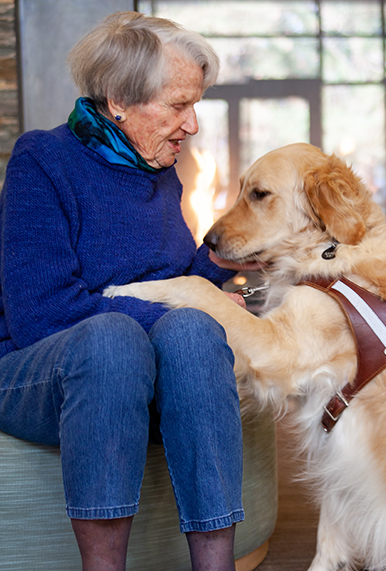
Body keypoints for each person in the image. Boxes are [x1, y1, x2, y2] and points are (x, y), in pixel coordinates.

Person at [0, 11, 259, 571]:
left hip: (133, 360)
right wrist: (186, 298)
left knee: (192, 329)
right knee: (114, 337)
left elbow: (170, 282)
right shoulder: (42, 161)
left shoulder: (158, 167)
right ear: (119, 98)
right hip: (37, 371)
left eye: (196, 105)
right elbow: (41, 317)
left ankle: (216, 567)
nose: (191, 126)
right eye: (178, 105)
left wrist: (221, 262)